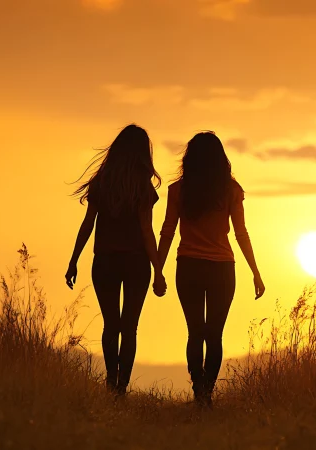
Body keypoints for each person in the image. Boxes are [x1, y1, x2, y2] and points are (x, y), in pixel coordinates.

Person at [157, 131, 265, 407]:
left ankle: (198, 389)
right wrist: (255, 271)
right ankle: (207, 393)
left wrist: (157, 269)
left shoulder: (178, 190)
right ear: (221, 160)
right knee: (214, 334)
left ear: (189, 158)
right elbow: (241, 233)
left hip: (189, 266)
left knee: (195, 331)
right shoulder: (230, 190)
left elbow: (168, 231)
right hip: (222, 268)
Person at [65, 124, 166, 396]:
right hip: (136, 263)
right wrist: (158, 270)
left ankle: (111, 384)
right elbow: (147, 231)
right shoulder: (143, 187)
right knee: (129, 327)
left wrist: (73, 260)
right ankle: (121, 387)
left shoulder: (102, 182)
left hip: (105, 261)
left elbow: (88, 224)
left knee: (111, 325)